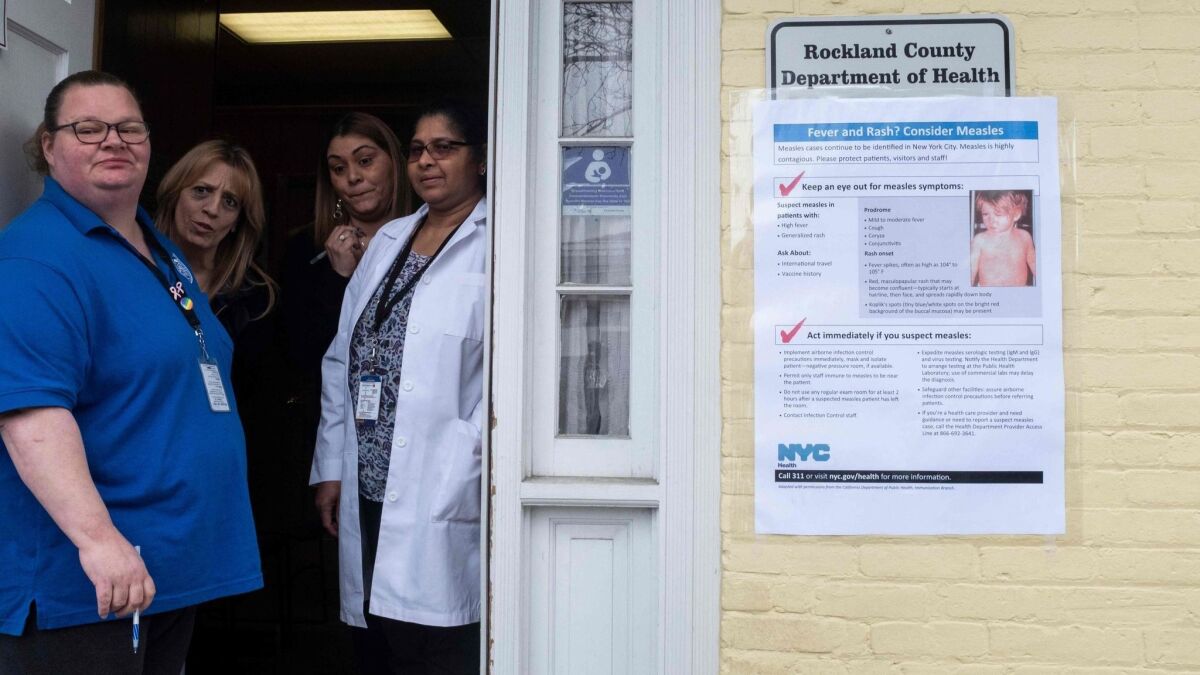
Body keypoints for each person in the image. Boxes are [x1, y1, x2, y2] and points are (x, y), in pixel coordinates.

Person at [0, 71, 261, 673]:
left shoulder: (155, 245)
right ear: (48, 145)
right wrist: (99, 542)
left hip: (166, 572)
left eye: (128, 128)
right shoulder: (36, 256)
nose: (112, 141)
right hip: (87, 588)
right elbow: (30, 415)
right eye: (87, 129)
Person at [310, 100, 487, 674]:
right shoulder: (389, 238)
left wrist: (470, 458)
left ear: (479, 159)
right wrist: (332, 466)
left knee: (436, 643)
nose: (426, 161)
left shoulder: (497, 241)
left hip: (442, 474)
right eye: (415, 150)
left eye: (444, 148)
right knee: (378, 638)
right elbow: (343, 357)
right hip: (370, 475)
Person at [155, 139, 276, 344]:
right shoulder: (132, 265)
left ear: (237, 221)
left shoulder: (255, 300)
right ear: (176, 194)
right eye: (201, 190)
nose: (212, 209)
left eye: (229, 202)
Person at [970, 189, 1036, 287]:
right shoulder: (980, 240)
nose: (991, 220)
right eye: (985, 214)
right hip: (989, 295)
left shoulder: (1024, 237)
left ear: (1016, 214)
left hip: (1018, 294)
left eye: (998, 214)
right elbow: (971, 270)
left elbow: (1034, 262)